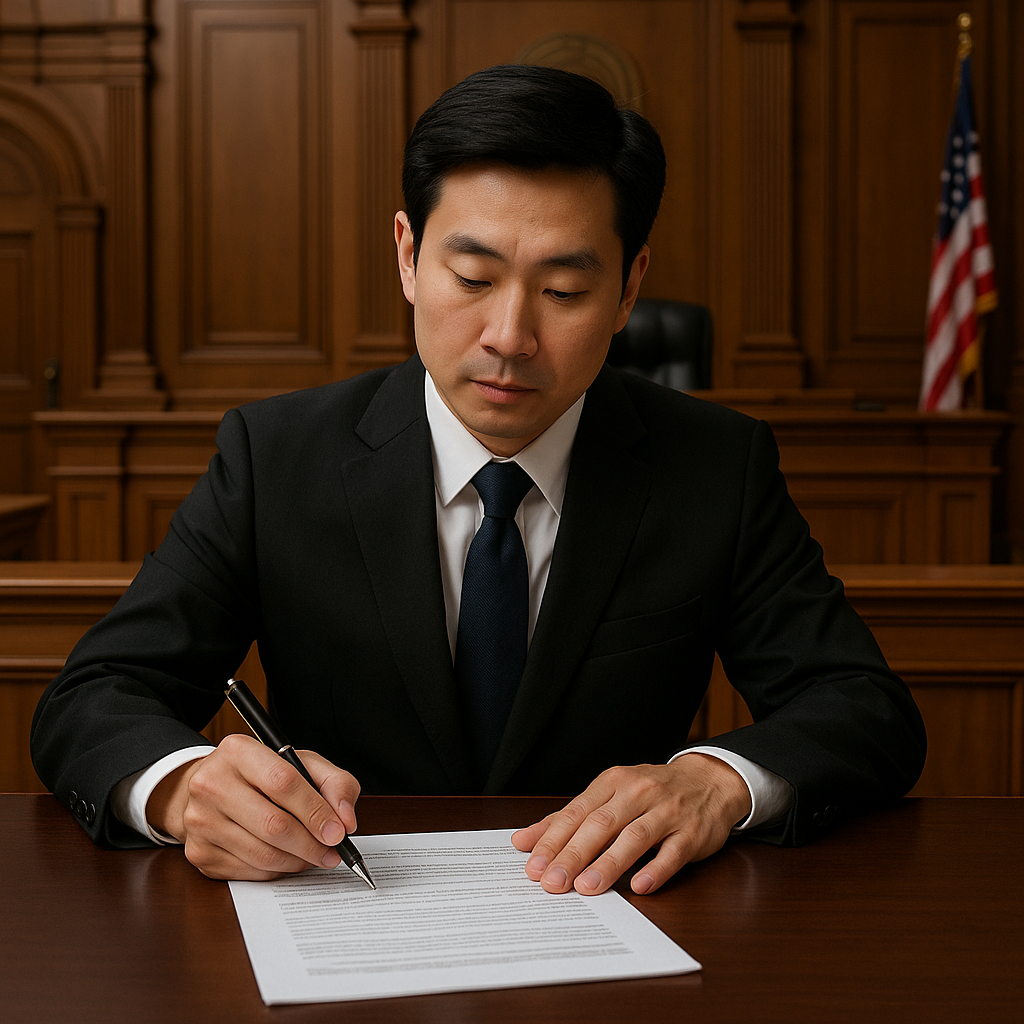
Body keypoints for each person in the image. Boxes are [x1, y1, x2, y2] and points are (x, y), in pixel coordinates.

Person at [31, 65, 926, 896]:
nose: (510, 335)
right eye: (472, 276)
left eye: (565, 292)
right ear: (407, 256)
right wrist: (185, 789)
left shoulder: (713, 466)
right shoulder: (278, 457)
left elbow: (863, 709)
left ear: (629, 289)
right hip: (344, 918)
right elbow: (94, 696)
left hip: (615, 927)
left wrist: (717, 781)